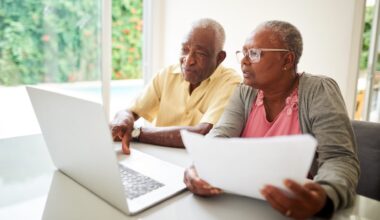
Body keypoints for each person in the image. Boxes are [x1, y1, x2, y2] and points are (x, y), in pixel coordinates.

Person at [184, 20, 359, 219]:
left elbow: (339, 158)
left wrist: (325, 197)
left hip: (296, 209)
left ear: (287, 60)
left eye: (255, 53)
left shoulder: (319, 90)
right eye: (243, 52)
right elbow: (220, 135)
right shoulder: (244, 92)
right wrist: (198, 167)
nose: (244, 61)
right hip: (244, 205)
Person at [111, 18, 241, 154]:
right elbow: (131, 111)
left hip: (195, 165)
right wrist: (123, 120)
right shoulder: (167, 74)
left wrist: (136, 133)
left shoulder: (231, 83)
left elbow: (203, 133)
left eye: (200, 53)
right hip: (157, 157)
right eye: (185, 50)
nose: (188, 60)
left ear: (219, 58)